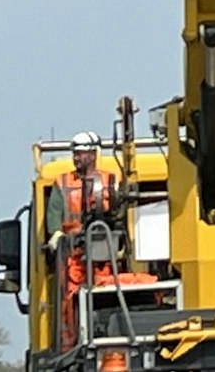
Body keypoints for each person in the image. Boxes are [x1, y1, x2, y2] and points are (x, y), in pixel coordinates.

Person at [46, 132, 120, 348]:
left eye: (81, 153)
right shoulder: (62, 183)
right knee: (71, 299)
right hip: (73, 255)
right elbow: (54, 216)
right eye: (75, 154)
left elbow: (120, 211)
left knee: (107, 291)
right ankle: (72, 344)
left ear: (93, 154)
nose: (76, 158)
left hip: (106, 255)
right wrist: (56, 235)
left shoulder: (111, 180)